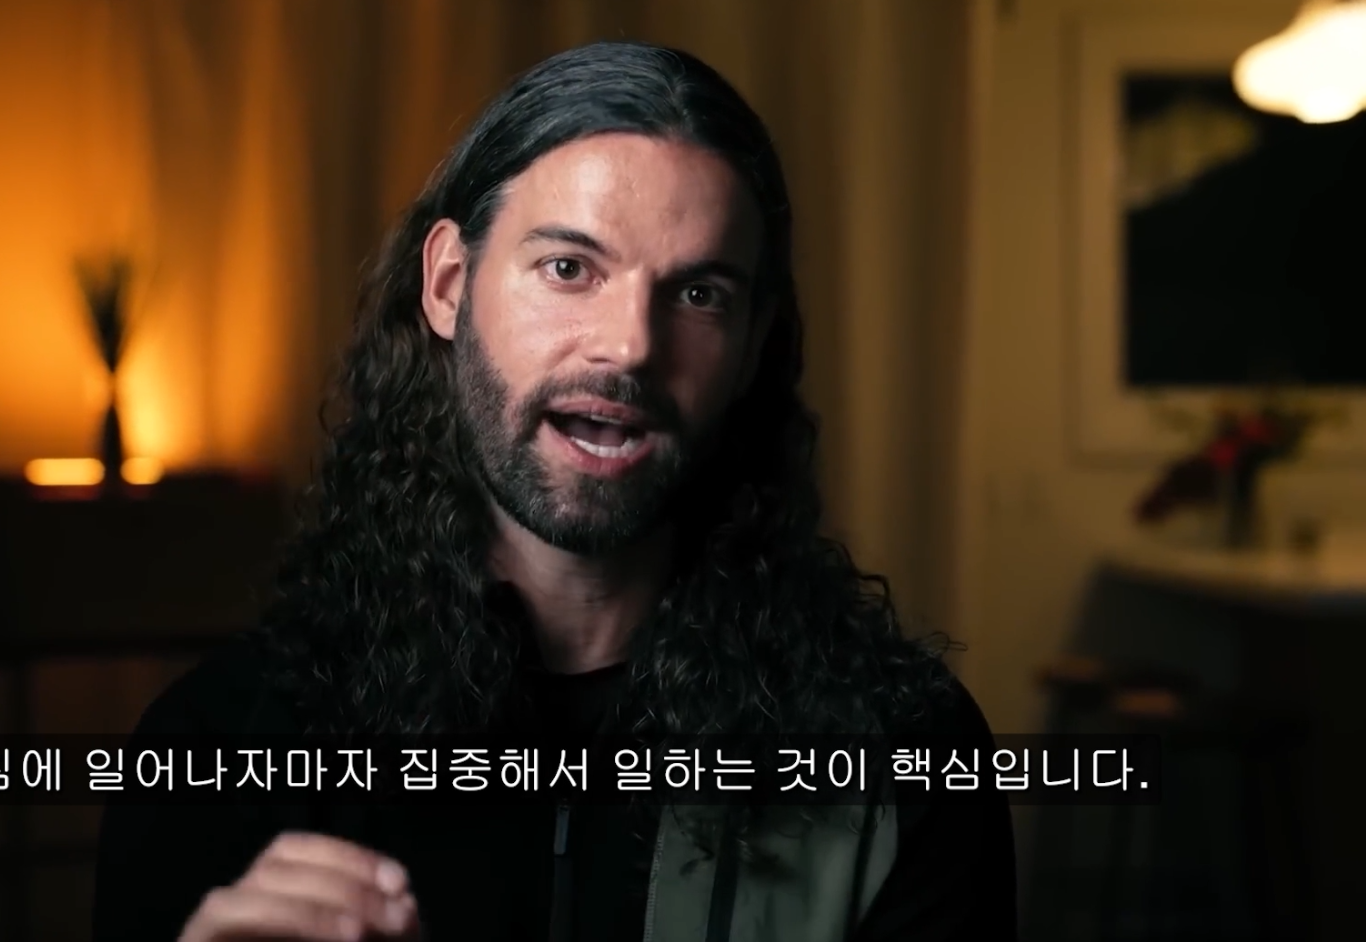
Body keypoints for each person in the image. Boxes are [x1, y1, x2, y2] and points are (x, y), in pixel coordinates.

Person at [93, 40, 1015, 942]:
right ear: (448, 284)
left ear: (750, 347)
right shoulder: (217, 744)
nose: (630, 346)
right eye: (569, 268)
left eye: (699, 294)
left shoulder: (905, 756)